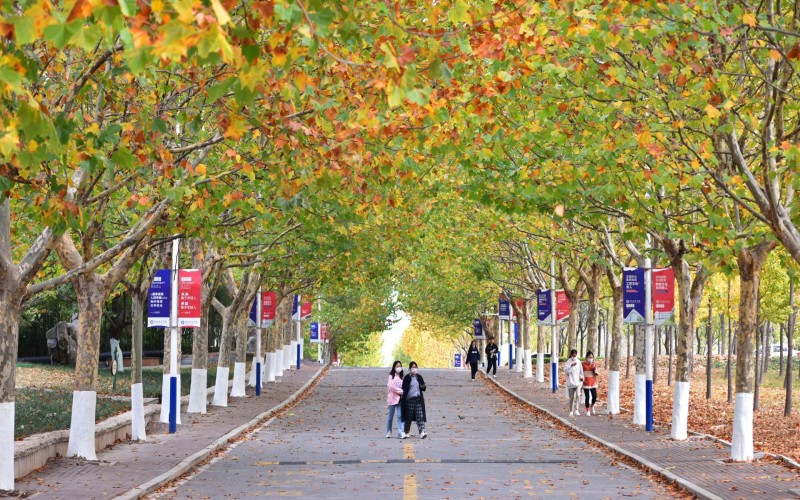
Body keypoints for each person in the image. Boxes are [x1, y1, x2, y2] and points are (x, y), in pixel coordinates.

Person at [401, 361, 427, 439]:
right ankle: (406, 432)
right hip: (409, 400)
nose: (414, 369)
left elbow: (424, 388)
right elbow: (404, 389)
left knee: (420, 416)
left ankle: (422, 432)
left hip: (418, 399)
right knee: (408, 416)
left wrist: (422, 386)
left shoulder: (419, 377)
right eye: (412, 367)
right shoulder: (407, 378)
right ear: (409, 369)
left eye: (415, 367)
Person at [386, 361, 405, 438]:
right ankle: (388, 432)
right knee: (390, 417)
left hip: (400, 399)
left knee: (400, 416)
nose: (399, 367)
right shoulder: (391, 376)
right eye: (397, 366)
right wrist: (402, 392)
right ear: (394, 367)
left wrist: (403, 392)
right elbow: (391, 387)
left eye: (400, 366)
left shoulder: (402, 376)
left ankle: (400, 432)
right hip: (392, 399)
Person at [564, 349, 583, 416]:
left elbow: (581, 371)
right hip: (571, 382)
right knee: (571, 397)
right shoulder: (568, 362)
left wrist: (581, 377)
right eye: (573, 354)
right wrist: (571, 366)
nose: (574, 355)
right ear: (571, 354)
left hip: (577, 382)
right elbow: (566, 371)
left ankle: (577, 409)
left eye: (575, 354)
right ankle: (571, 410)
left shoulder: (579, 361)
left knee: (578, 395)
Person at [582, 351, 599, 416]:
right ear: (586, 357)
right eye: (589, 357)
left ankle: (592, 405)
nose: (590, 358)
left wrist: (594, 368)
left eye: (592, 357)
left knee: (594, 396)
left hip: (593, 382)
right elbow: (580, 372)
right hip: (586, 382)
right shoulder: (582, 364)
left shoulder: (594, 364)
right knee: (587, 397)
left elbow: (597, 373)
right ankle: (588, 410)